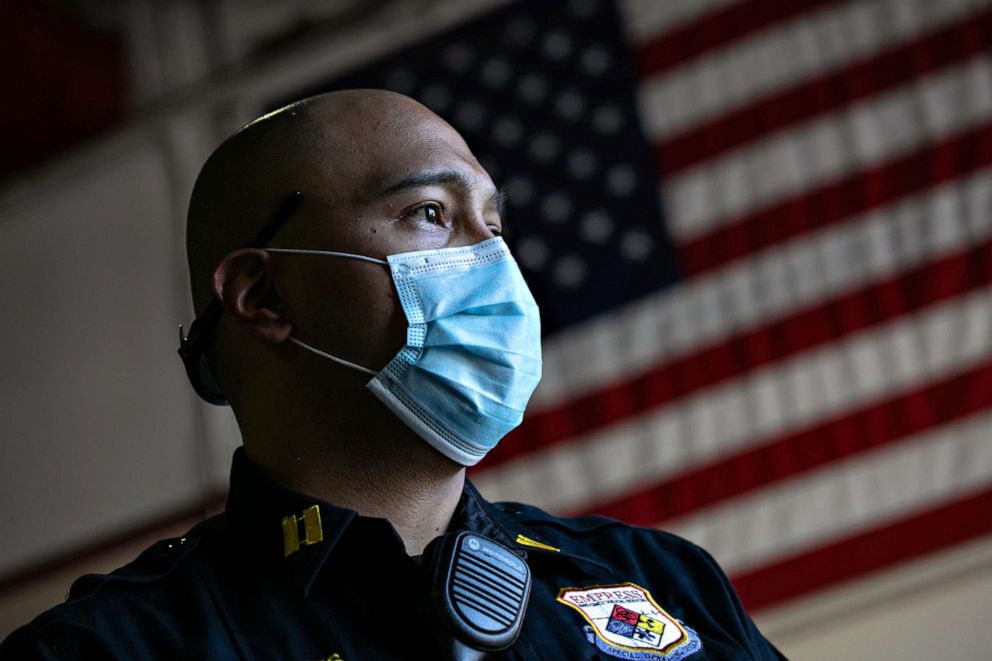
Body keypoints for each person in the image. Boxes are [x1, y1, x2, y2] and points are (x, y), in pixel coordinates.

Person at [0, 90, 784, 660]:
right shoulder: (111, 651)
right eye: (430, 215)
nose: (494, 262)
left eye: (494, 223)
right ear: (265, 296)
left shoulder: (660, 581)